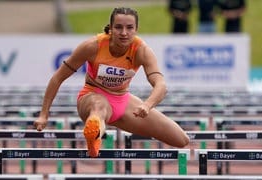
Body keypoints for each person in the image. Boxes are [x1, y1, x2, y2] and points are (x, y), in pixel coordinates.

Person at [33, 7, 190, 157]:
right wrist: (44, 114)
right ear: (111, 28)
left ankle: (97, 128)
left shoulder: (141, 50)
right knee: (99, 108)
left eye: (129, 28)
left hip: (122, 100)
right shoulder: (92, 46)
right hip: (92, 95)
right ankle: (94, 136)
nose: (124, 33)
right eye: (118, 27)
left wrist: (147, 105)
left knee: (181, 139)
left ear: (136, 29)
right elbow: (57, 78)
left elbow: (160, 84)